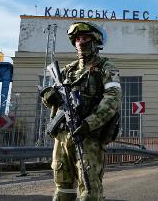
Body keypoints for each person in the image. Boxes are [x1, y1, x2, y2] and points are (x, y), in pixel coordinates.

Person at [41, 21, 122, 201]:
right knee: (63, 189)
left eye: (85, 38)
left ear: (95, 41)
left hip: (88, 136)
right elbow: (53, 100)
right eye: (77, 38)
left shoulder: (106, 67)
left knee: (89, 190)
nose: (80, 42)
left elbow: (112, 99)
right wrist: (48, 97)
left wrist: (89, 123)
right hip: (63, 136)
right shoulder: (67, 70)